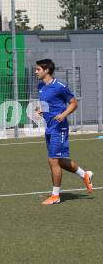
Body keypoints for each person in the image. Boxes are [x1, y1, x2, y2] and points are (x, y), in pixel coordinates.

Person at [35, 59, 93, 205]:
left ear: (47, 70)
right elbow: (47, 104)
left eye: (38, 69)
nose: (35, 72)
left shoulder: (60, 86)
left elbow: (74, 103)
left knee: (53, 160)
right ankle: (84, 174)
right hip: (49, 126)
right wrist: (41, 110)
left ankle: (56, 196)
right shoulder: (40, 86)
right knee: (59, 160)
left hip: (59, 127)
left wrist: (63, 115)